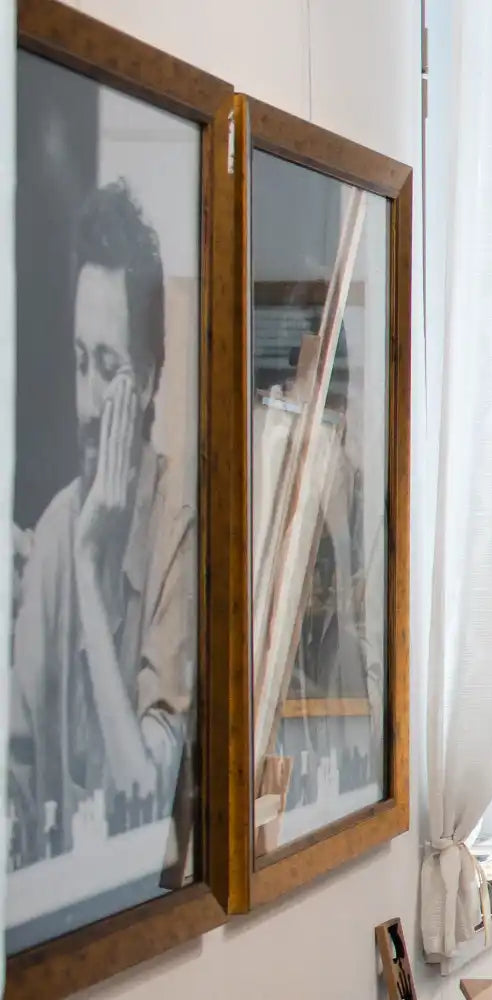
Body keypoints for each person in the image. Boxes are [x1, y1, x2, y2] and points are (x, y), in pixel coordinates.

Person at [8, 179, 195, 863]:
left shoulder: (179, 526)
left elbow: (145, 793)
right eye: (80, 362)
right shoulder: (55, 529)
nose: (87, 403)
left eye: (108, 367)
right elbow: (16, 785)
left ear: (145, 384)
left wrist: (89, 575)